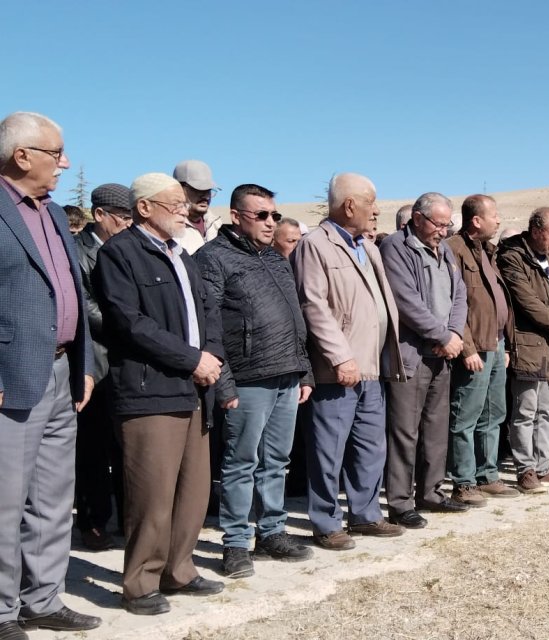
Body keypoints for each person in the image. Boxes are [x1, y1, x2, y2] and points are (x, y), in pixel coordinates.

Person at [94, 172, 226, 615]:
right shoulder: (120, 253)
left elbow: (207, 312)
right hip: (150, 391)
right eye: (175, 202)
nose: (184, 209)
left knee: (193, 491)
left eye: (185, 203)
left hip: (195, 389)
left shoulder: (180, 254)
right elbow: (130, 324)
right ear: (144, 207)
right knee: (151, 494)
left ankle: (179, 570)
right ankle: (140, 583)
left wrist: (211, 356)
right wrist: (193, 359)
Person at [0, 111, 101, 635]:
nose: (64, 162)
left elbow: (72, 293)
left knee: (53, 498)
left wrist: (83, 363)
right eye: (55, 152)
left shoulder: (55, 214)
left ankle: (43, 599)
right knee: (4, 501)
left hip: (63, 373)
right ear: (22, 156)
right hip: (11, 377)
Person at [195, 184, 315, 578]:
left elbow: (296, 318)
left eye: (274, 215)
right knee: (240, 462)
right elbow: (208, 326)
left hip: (286, 374)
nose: (270, 222)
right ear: (236, 216)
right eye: (261, 215)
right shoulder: (213, 259)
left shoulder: (277, 259)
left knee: (277, 461)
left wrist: (305, 370)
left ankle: (272, 532)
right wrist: (224, 384)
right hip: (246, 379)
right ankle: (234, 543)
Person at [293, 173, 405, 549]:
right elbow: (314, 305)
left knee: (371, 446)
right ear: (349, 205)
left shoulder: (367, 247)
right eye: (371, 202)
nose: (377, 210)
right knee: (329, 448)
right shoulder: (315, 245)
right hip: (337, 371)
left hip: (372, 366)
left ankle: (366, 514)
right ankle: (326, 522)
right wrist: (341, 357)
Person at [380, 193, 470, 527]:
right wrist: (443, 336)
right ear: (418, 218)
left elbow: (459, 294)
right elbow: (406, 302)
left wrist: (454, 334)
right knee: (405, 430)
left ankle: (431, 492)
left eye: (448, 224)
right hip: (412, 354)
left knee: (435, 427)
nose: (444, 231)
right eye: (439, 223)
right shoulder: (395, 247)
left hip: (443, 352)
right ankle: (401, 503)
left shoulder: (444, 250)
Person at [443, 195, 521, 505]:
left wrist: (506, 344)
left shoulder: (488, 252)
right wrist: (468, 349)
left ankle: (487, 474)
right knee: (466, 416)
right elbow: (454, 305)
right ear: (477, 220)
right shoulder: (454, 250)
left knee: (494, 413)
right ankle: (463, 481)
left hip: (496, 344)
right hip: (474, 349)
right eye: (494, 216)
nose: (498, 221)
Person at [498, 207, 549, 492]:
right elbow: (527, 302)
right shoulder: (512, 257)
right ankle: (525, 469)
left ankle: (544, 467)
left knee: (547, 411)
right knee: (525, 411)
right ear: (535, 231)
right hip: (529, 344)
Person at [72, 183, 132, 553]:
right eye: (122, 218)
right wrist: (128, 325)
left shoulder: (129, 249)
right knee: (92, 447)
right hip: (96, 359)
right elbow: (84, 306)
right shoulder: (78, 252)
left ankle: (130, 516)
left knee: (127, 445)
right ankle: (93, 521)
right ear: (99, 215)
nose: (128, 224)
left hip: (129, 360)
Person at [172, 160, 221, 254]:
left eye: (208, 190)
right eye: (199, 189)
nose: (206, 196)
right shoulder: (169, 228)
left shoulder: (217, 226)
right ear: (179, 188)